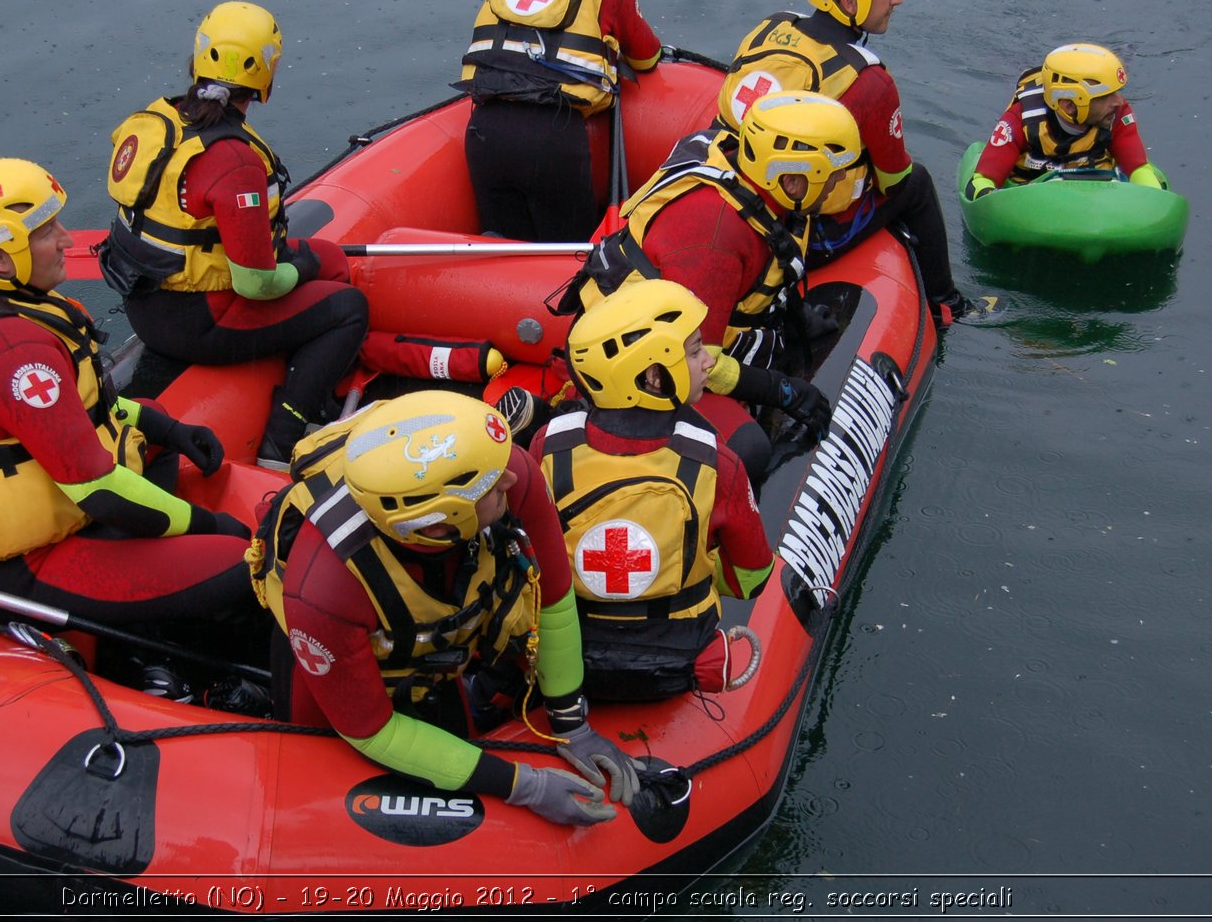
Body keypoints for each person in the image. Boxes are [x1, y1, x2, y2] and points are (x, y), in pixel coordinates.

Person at [0, 158, 255, 635]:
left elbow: (81, 407)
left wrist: (167, 429)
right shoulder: (11, 350)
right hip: (12, 565)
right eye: (45, 230)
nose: (66, 240)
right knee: (240, 562)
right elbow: (98, 488)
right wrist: (206, 525)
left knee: (150, 418)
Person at [248, 390, 642, 826]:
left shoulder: (507, 467)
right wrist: (522, 785)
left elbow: (553, 597)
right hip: (342, 676)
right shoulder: (324, 588)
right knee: (315, 800)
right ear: (438, 523)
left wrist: (571, 723)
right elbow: (373, 731)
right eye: (492, 487)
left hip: (438, 658)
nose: (510, 479)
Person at [100, 0, 369, 469]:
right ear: (265, 73)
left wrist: (309, 261)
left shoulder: (162, 119)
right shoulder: (234, 159)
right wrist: (302, 266)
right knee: (348, 307)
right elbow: (254, 284)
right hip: (197, 323)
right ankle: (283, 437)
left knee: (328, 259)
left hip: (144, 302)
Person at [548, 90, 861, 486]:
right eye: (831, 177)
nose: (838, 186)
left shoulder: (737, 168)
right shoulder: (716, 239)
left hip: (679, 333)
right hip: (639, 369)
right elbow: (697, 360)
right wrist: (783, 392)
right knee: (747, 449)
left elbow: (775, 265)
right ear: (794, 179)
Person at [529, 280, 774, 701]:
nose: (708, 363)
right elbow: (751, 578)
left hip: (566, 662)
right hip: (675, 665)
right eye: (695, 351)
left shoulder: (547, 446)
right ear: (654, 375)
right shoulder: (717, 462)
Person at [714, 0, 974, 326]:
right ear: (849, 0)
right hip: (794, 234)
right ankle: (948, 305)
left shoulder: (770, 27)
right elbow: (893, 178)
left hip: (723, 191)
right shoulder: (869, 81)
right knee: (916, 183)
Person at [457, 0, 662, 243]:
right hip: (551, 139)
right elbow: (647, 57)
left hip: (484, 133)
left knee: (503, 257)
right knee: (568, 270)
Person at [964, 42, 1167, 197]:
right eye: (1105, 96)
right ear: (1068, 105)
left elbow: (1138, 168)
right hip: (1030, 195)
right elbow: (982, 181)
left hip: (1099, 194)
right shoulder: (1022, 120)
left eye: (1116, 92)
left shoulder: (1118, 114)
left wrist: (1155, 198)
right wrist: (989, 198)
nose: (1118, 101)